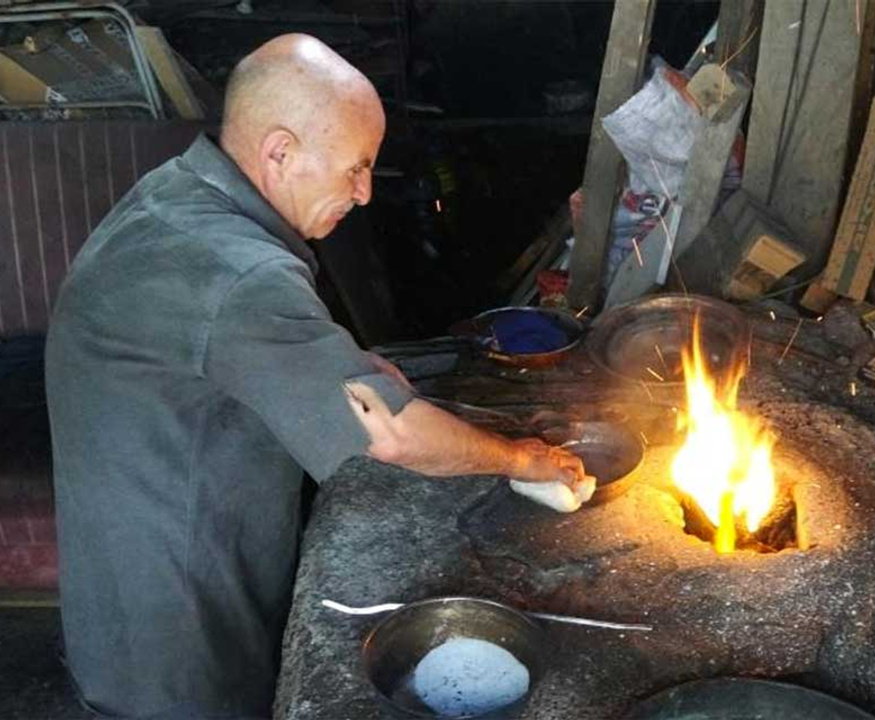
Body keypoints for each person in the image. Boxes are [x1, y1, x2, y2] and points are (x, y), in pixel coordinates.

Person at [44, 34, 592, 719]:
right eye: (356, 168)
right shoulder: (238, 271)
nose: (364, 195)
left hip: (127, 579)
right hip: (178, 632)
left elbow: (222, 346)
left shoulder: (178, 196)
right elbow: (390, 432)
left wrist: (342, 365)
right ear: (280, 152)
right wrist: (523, 458)